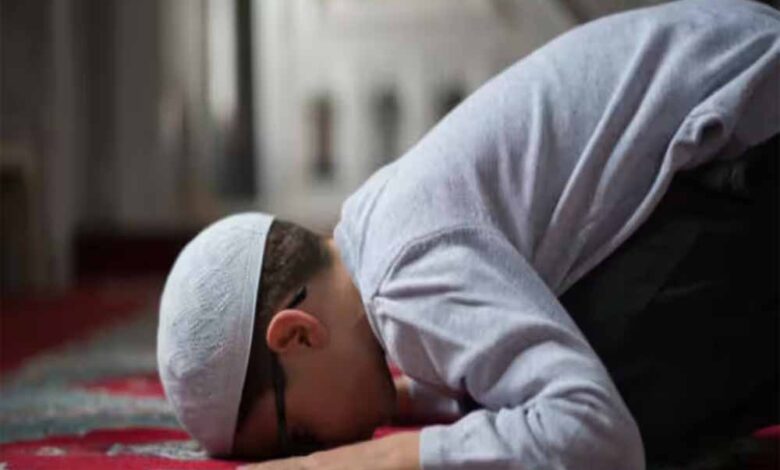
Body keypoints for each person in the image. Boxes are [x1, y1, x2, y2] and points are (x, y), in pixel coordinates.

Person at [157, 0, 780, 468]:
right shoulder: (378, 220)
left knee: (581, 398)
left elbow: (598, 435)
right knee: (513, 385)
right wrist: (424, 402)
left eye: (302, 437)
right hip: (748, 111)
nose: (327, 447)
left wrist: (381, 458)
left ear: (296, 334)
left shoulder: (404, 271)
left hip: (758, 146)